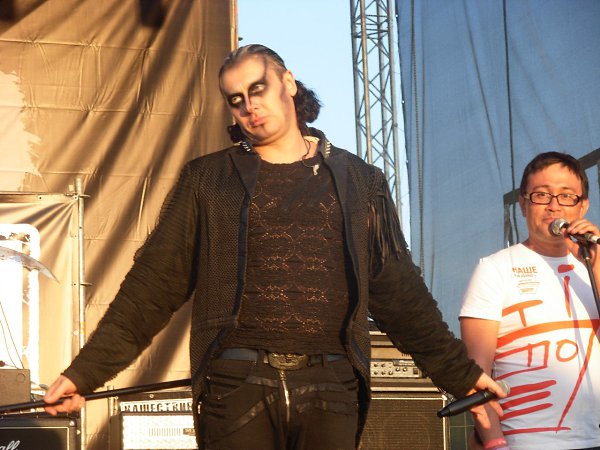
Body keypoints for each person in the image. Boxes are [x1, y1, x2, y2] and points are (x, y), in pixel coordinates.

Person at [44, 44, 504, 450]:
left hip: (332, 385)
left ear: (288, 82)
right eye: (236, 99)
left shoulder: (360, 180)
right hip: (236, 384)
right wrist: (85, 374)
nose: (249, 106)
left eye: (258, 89)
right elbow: (153, 286)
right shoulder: (209, 179)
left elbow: (398, 291)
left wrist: (460, 375)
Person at [460, 152, 600, 450]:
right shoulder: (495, 269)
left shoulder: (595, 264)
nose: (554, 205)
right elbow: (475, 375)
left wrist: (597, 266)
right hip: (526, 440)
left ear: (583, 205)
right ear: (523, 205)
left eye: (566, 196)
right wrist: (495, 443)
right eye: (541, 195)